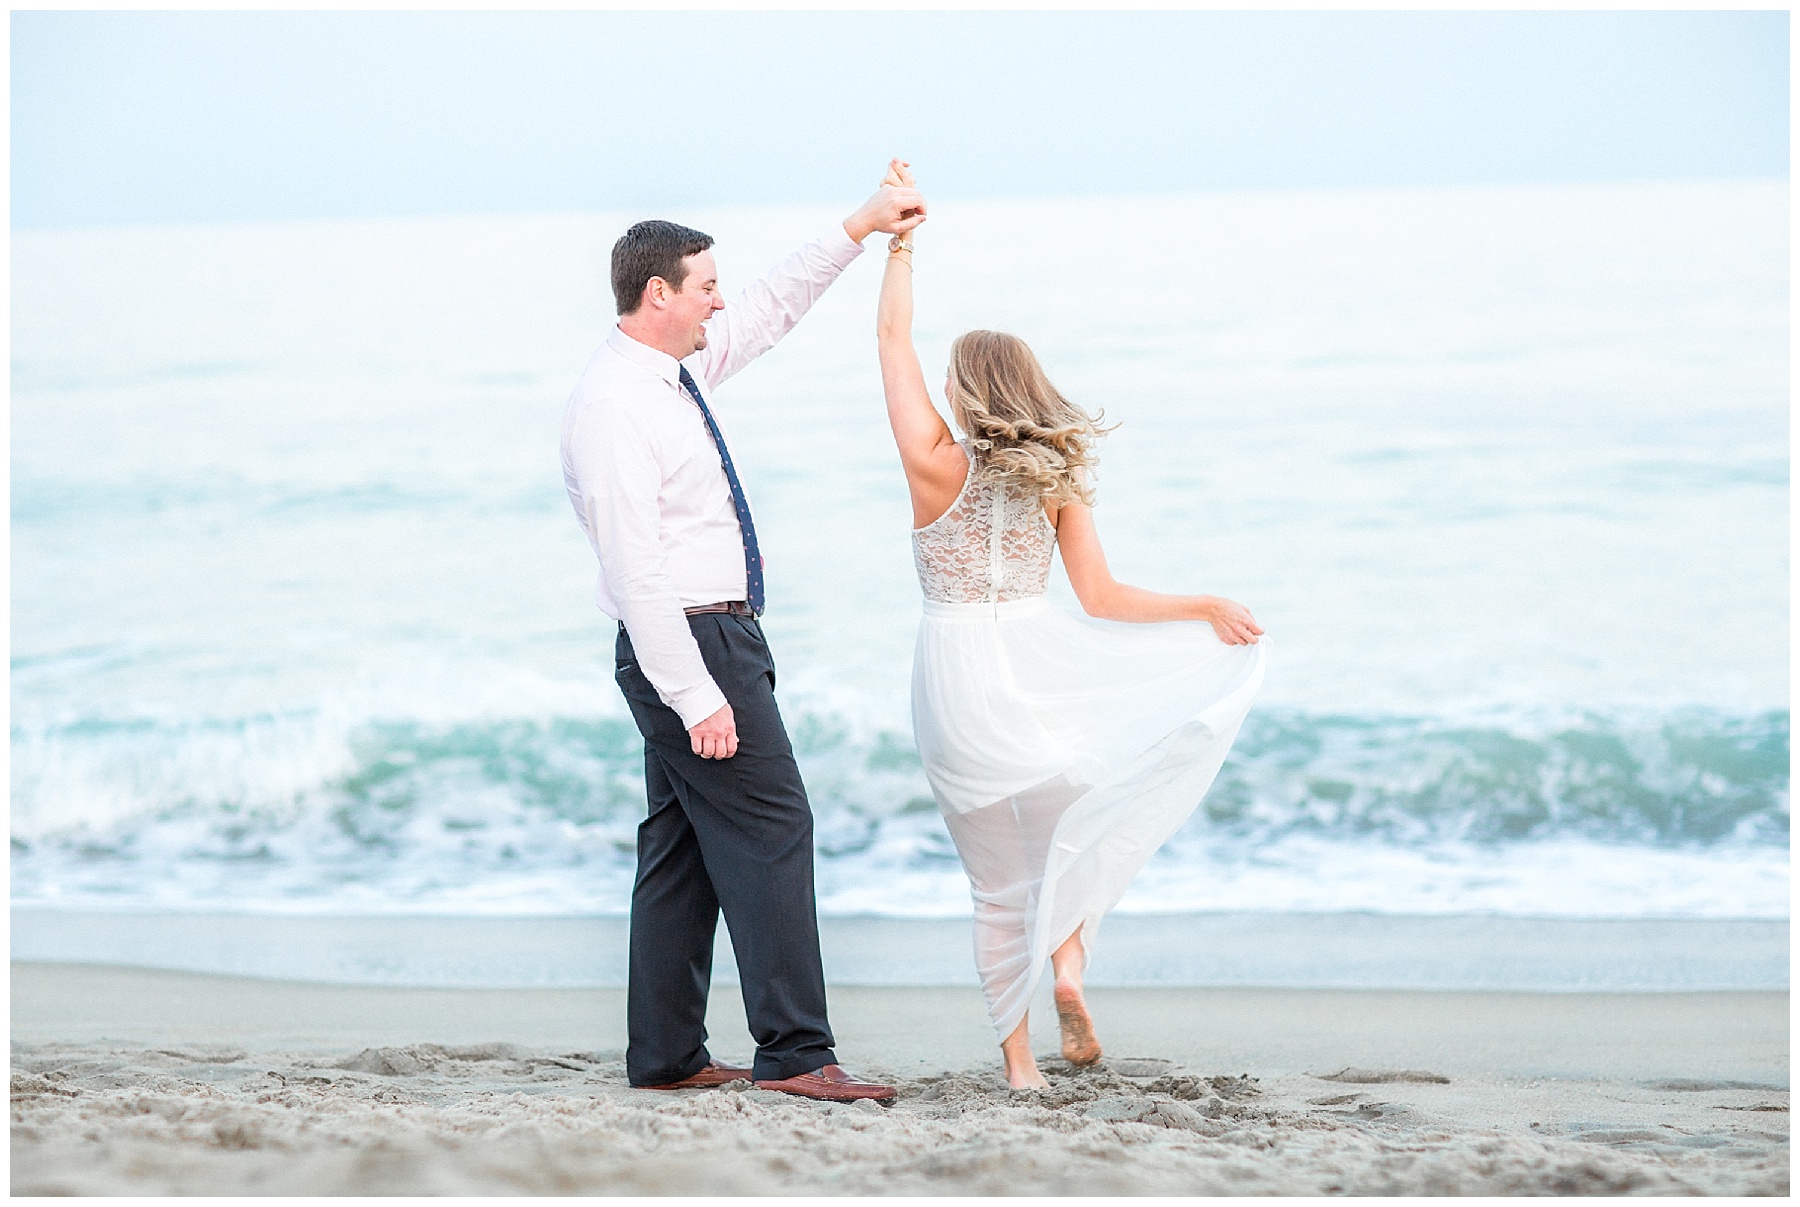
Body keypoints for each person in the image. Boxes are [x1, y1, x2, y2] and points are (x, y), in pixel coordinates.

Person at [872, 160, 1267, 1090]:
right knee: (1079, 823)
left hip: (957, 669)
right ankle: (1071, 968)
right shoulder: (1054, 480)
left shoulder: (935, 464)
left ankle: (1020, 1067)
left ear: (964, 392)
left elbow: (891, 341)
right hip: (1037, 662)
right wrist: (1203, 605)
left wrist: (901, 241)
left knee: (993, 880)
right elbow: (1104, 599)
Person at [560, 171, 927, 1102]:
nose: (721, 300)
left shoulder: (673, 374)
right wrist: (696, 693)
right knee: (773, 824)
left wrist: (861, 227)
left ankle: (668, 1056)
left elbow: (769, 310)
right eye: (705, 286)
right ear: (659, 295)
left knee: (681, 847)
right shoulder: (615, 404)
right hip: (687, 646)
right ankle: (799, 1053)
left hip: (708, 638)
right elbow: (636, 570)